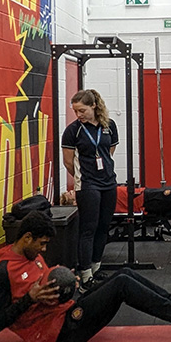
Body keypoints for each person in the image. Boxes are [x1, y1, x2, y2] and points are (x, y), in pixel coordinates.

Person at [0, 211, 171, 342]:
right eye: (42, 243)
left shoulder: (31, 256)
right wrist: (29, 299)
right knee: (122, 286)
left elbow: (49, 287)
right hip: (61, 334)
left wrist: (69, 285)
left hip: (66, 312)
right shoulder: (2, 274)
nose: (44, 250)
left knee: (125, 274)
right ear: (26, 237)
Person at [61, 89, 119, 287]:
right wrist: (83, 177)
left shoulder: (109, 126)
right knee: (89, 229)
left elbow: (109, 152)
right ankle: (85, 275)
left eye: (82, 110)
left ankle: (96, 268)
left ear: (94, 106)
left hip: (108, 182)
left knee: (104, 227)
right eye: (76, 111)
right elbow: (68, 162)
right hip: (88, 184)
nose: (79, 115)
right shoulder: (73, 130)